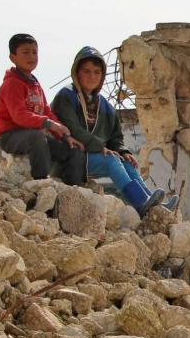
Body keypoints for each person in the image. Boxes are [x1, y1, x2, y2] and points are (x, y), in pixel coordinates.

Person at [51, 47, 169, 216]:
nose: (92, 77)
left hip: (92, 157)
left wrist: (123, 151)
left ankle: (154, 206)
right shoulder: (66, 96)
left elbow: (115, 136)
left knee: (127, 162)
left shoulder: (105, 105)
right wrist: (100, 147)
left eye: (97, 72)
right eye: (87, 71)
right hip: (70, 157)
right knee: (111, 161)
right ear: (77, 72)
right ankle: (140, 204)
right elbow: (73, 129)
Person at [0, 34, 83, 182]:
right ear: (13, 57)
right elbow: (19, 115)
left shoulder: (35, 84)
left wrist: (64, 134)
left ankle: (72, 187)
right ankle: (41, 182)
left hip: (34, 137)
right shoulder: (11, 84)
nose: (32, 56)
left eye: (35, 52)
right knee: (37, 137)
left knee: (73, 149)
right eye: (26, 52)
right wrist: (47, 123)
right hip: (11, 137)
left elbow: (47, 111)